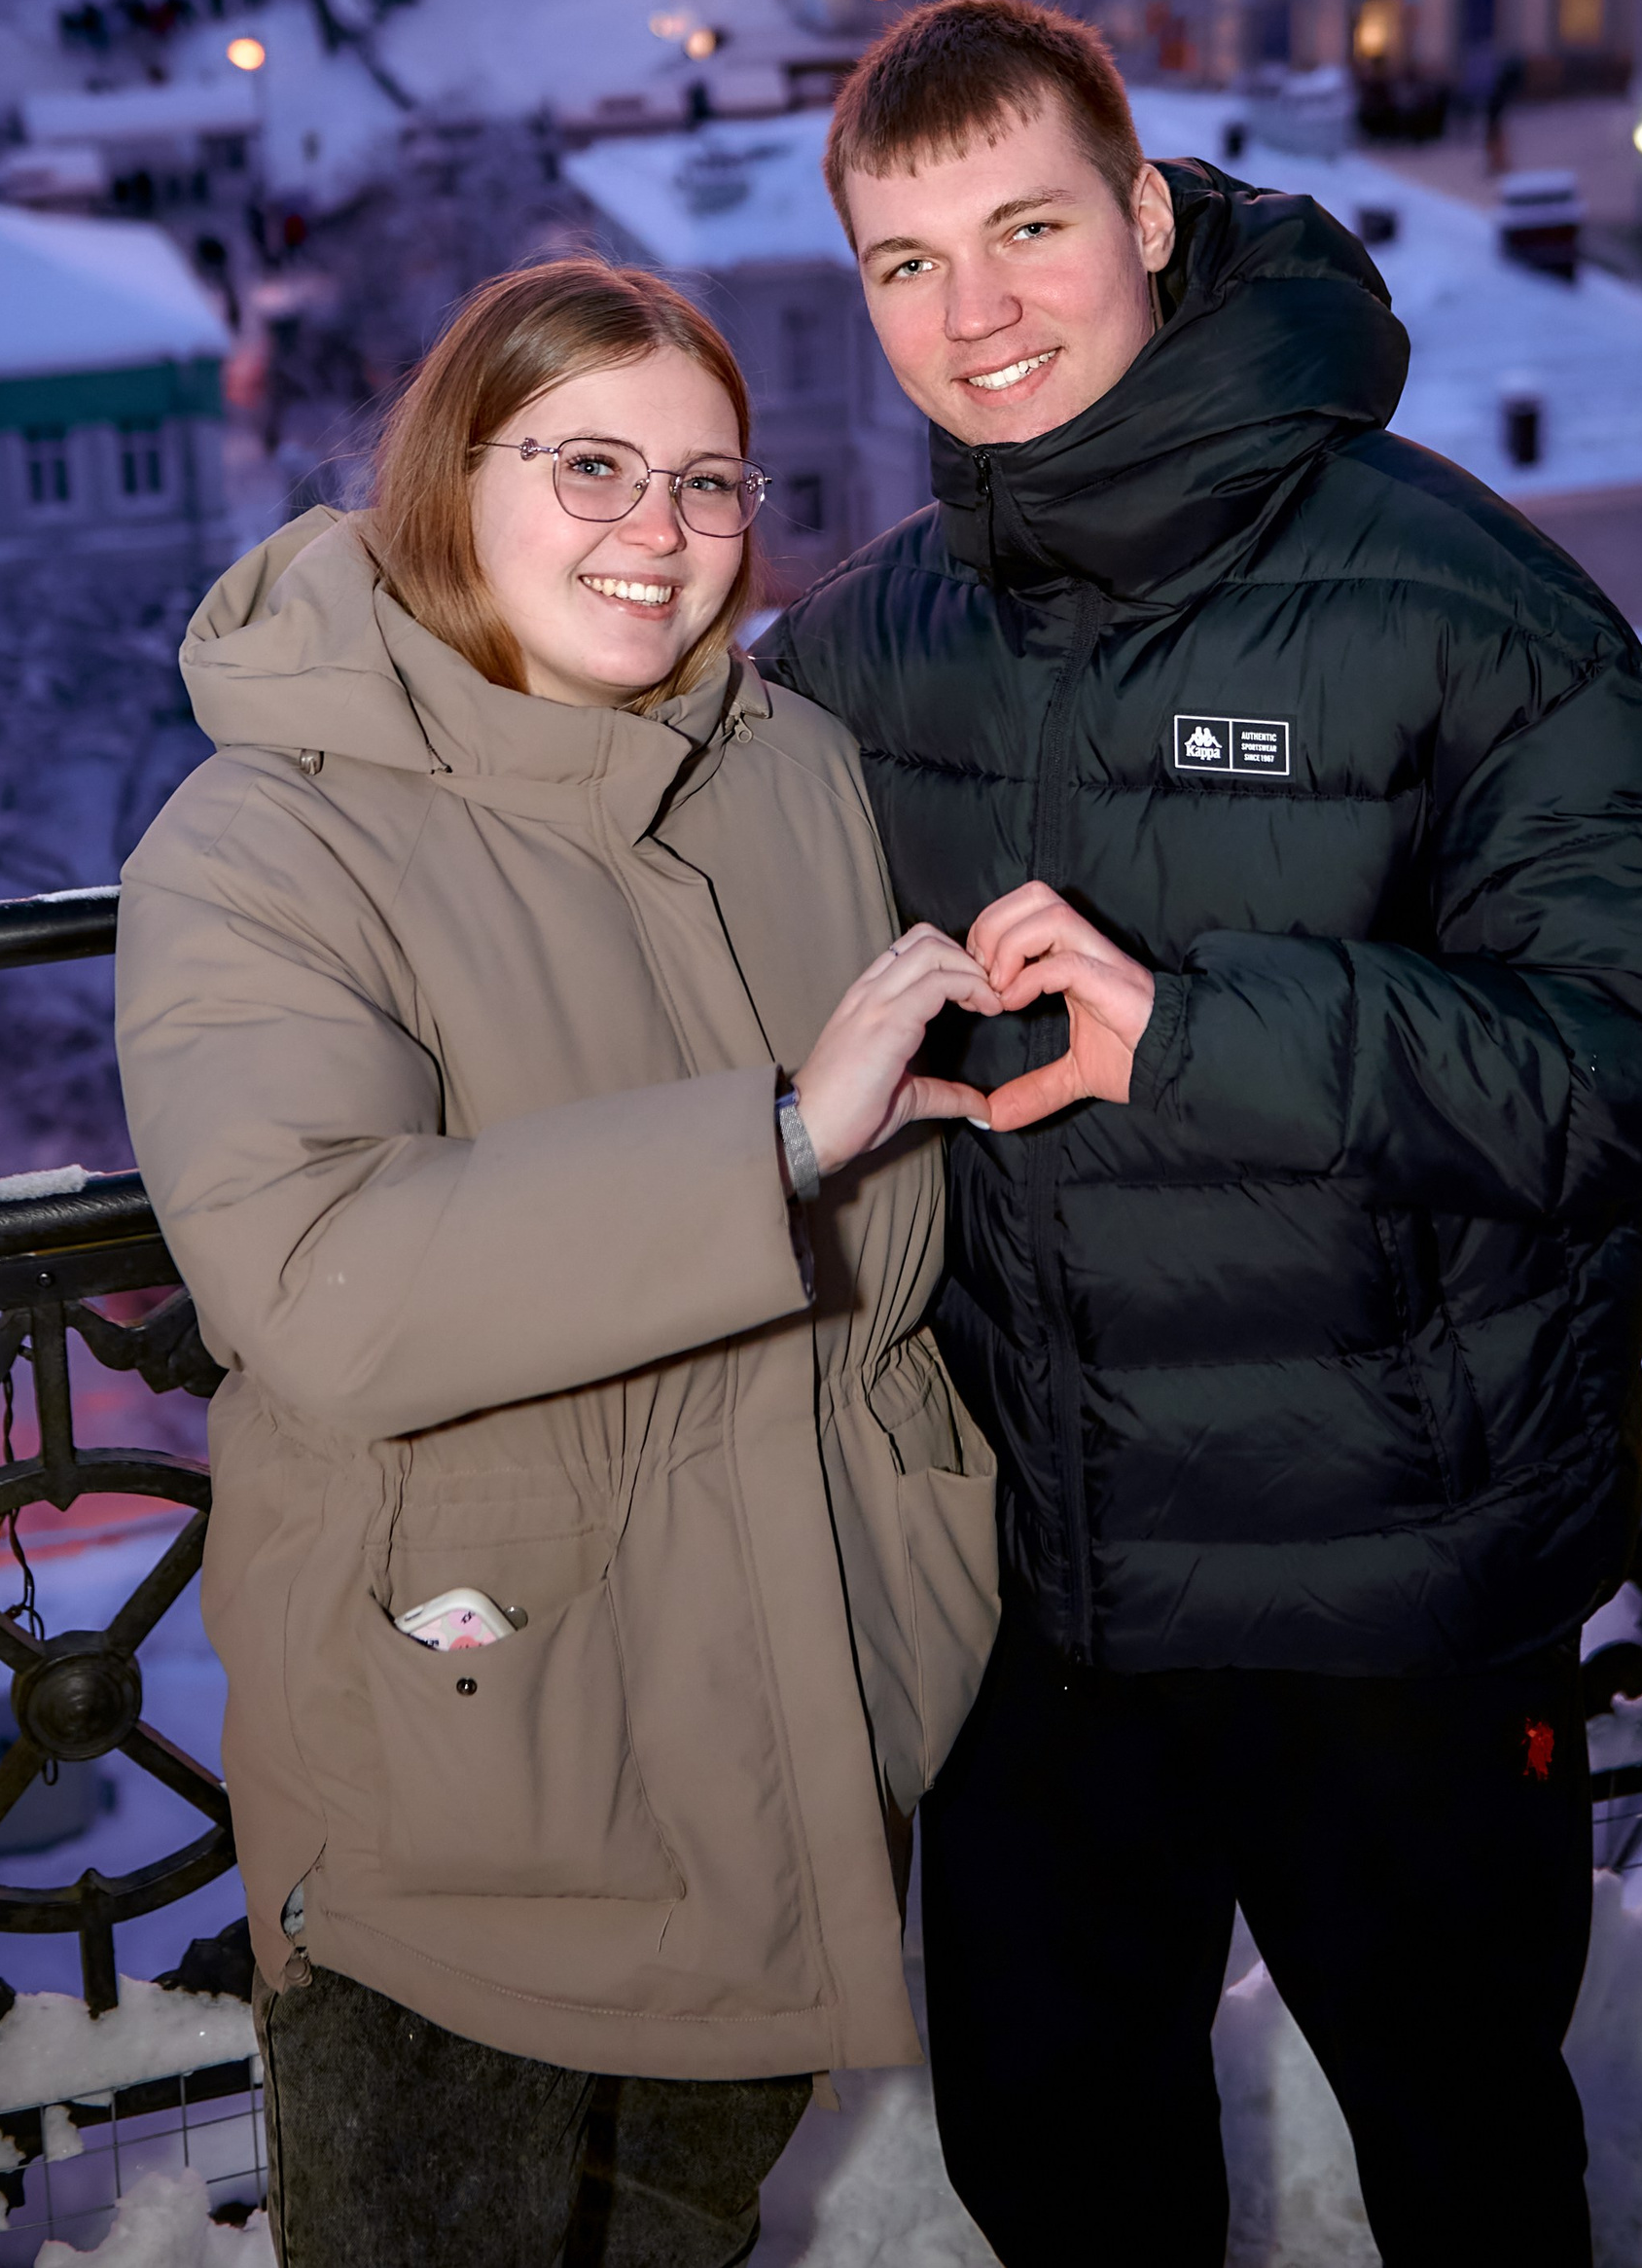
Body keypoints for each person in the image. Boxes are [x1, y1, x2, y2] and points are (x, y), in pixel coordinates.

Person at [761, 0, 1642, 2268]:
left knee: (1461, 2153)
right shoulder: (859, 652)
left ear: (1143, 214)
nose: (974, 314)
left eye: (1028, 229)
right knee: (1060, 2174)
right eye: (906, 262)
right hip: (1035, 1607)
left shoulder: (1450, 594)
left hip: (1391, 1594)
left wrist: (1210, 1033)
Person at [117, 261, 1001, 2268]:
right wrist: (776, 1142)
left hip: (787, 1721)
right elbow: (316, 1278)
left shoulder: (788, 768)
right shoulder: (266, 842)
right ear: (451, 474)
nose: (659, 533)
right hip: (477, 1768)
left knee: (689, 2234)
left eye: (708, 483)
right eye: (589, 465)